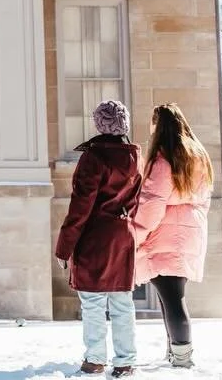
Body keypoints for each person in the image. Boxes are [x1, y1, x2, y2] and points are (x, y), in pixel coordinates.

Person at [54, 99, 143, 377]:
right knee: (122, 302)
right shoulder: (135, 156)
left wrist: (64, 247)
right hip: (123, 235)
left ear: (99, 124)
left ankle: (95, 360)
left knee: (93, 302)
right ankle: (125, 361)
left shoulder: (93, 157)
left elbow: (80, 206)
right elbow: (138, 200)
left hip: (95, 238)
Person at [131, 103, 213, 370]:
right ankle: (175, 353)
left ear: (159, 125)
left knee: (172, 299)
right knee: (173, 297)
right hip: (190, 232)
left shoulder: (163, 159)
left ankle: (182, 358)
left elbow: (153, 204)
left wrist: (135, 234)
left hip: (166, 234)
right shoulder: (198, 156)